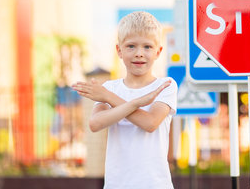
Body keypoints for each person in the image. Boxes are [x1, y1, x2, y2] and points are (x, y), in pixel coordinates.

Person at [72, 11, 178, 189]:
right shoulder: (110, 89)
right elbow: (95, 123)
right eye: (131, 46)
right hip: (117, 184)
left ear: (158, 51)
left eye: (147, 47)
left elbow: (150, 123)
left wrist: (110, 99)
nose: (139, 53)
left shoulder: (165, 86)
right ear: (119, 51)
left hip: (154, 184)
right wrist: (136, 103)